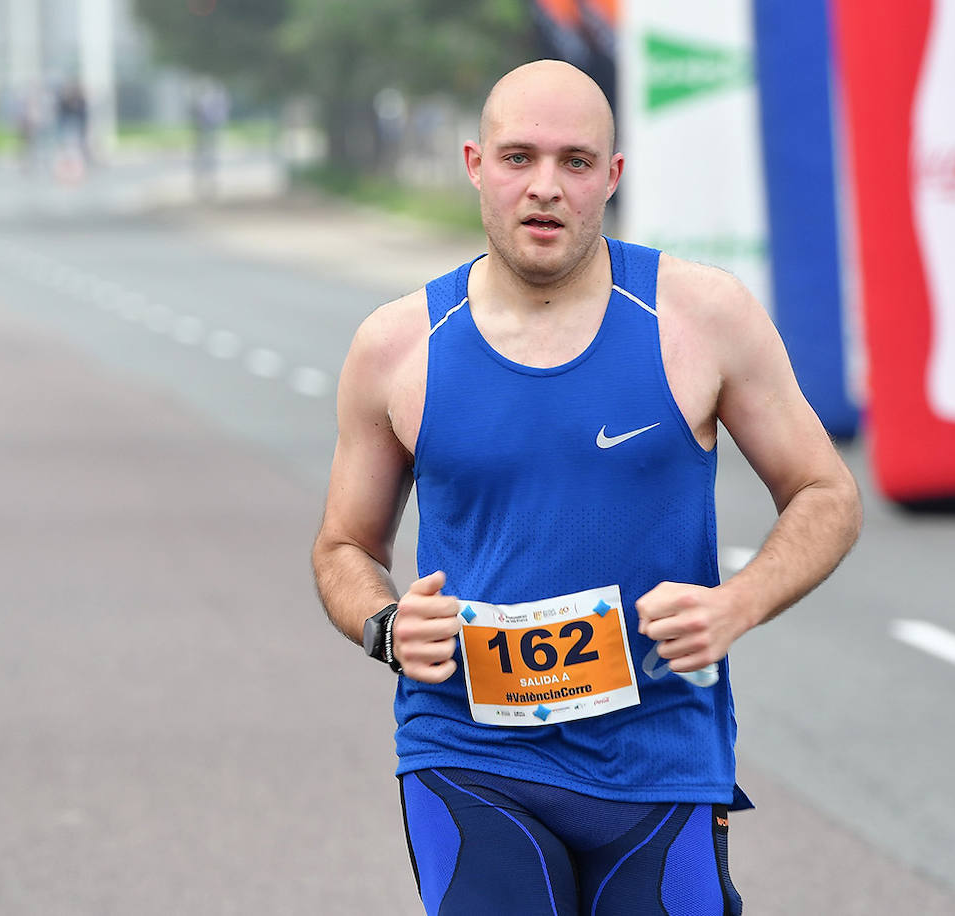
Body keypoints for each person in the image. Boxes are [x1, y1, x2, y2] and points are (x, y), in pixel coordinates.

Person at [310, 60, 862, 915]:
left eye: (574, 162)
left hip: (660, 756)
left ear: (611, 176)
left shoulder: (699, 318)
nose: (544, 187)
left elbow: (827, 494)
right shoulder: (397, 346)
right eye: (518, 157)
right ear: (474, 164)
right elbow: (345, 545)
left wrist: (738, 604)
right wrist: (385, 627)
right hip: (468, 748)